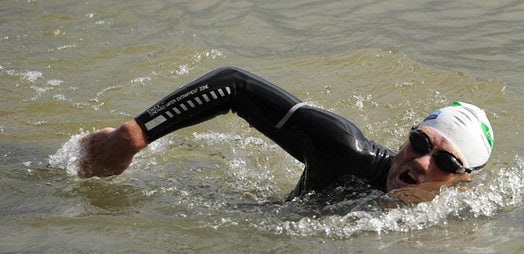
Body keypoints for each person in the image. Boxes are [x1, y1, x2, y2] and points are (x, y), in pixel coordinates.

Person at [78, 67, 494, 205]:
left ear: (462, 182)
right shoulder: (344, 151)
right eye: (421, 143)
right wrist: (130, 138)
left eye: (445, 163)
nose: (422, 163)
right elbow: (235, 85)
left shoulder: (462, 221)